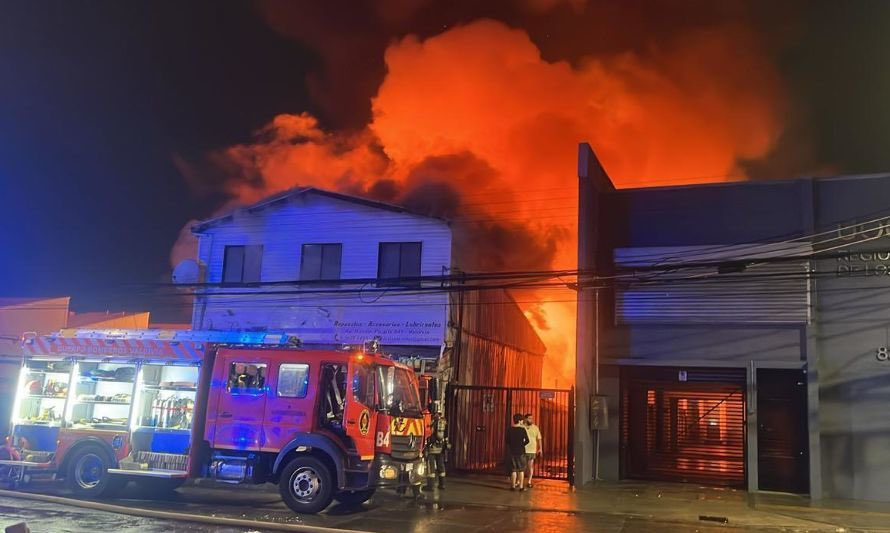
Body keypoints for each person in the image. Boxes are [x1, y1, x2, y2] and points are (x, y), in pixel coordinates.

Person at [425, 411, 450, 490]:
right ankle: (442, 484)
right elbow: (446, 435)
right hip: (441, 448)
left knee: (431, 466)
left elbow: (430, 434)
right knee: (441, 466)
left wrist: (429, 444)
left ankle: (430, 486)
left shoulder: (434, 422)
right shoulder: (444, 422)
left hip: (432, 448)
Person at [506, 413, 529, 491]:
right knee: (521, 470)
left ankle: (512, 486)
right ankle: (521, 487)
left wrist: (512, 444)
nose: (522, 421)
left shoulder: (509, 429)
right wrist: (522, 444)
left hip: (512, 451)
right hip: (521, 452)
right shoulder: (522, 430)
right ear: (519, 421)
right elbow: (527, 440)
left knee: (513, 470)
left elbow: (507, 441)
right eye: (522, 420)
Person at [523, 413, 543, 488]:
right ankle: (519, 481)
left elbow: (539, 438)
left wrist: (540, 448)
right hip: (523, 449)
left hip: (532, 450)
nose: (531, 420)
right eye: (529, 418)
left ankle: (529, 481)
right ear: (525, 419)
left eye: (531, 418)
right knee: (522, 467)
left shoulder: (535, 428)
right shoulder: (522, 427)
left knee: (530, 466)